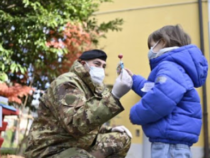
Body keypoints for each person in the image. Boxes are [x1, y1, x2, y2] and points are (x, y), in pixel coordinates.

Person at [24, 49, 133, 158]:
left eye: (103, 66)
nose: (101, 69)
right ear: (82, 64)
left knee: (122, 138)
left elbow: (88, 123)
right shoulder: (67, 83)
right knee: (81, 156)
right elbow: (75, 124)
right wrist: (114, 96)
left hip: (76, 146)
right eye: (97, 64)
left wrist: (108, 130)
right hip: (51, 150)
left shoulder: (94, 88)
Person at [128, 25, 208, 158]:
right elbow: (157, 90)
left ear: (163, 42)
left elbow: (161, 98)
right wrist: (133, 80)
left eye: (152, 46)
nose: (150, 51)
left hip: (169, 145)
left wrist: (136, 113)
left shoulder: (169, 66)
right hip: (173, 141)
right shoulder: (176, 66)